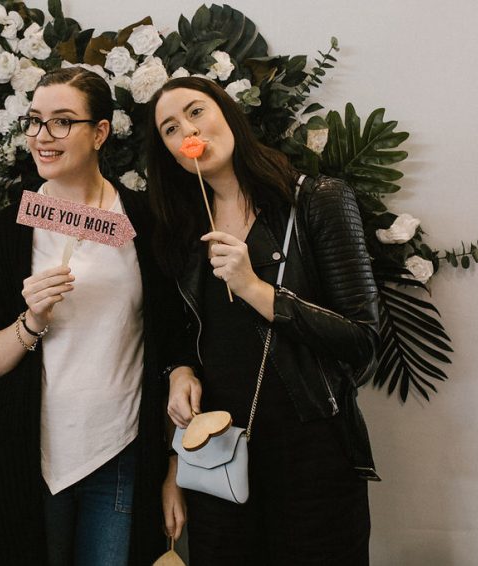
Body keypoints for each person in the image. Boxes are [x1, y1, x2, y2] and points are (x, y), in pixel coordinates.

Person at [146, 76, 381, 565]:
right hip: (217, 454)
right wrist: (180, 373)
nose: (187, 129)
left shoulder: (317, 200)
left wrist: (256, 289)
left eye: (195, 111)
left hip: (313, 455)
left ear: (228, 114)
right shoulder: (182, 229)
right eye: (170, 127)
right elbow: (179, 337)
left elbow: (362, 339)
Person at [0, 67, 176, 566]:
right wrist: (31, 321)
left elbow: (173, 344)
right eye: (35, 121)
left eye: (62, 122)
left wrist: (172, 462)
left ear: (100, 132)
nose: (43, 136)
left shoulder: (147, 222)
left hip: (119, 449)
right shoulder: (4, 230)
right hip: (29, 456)